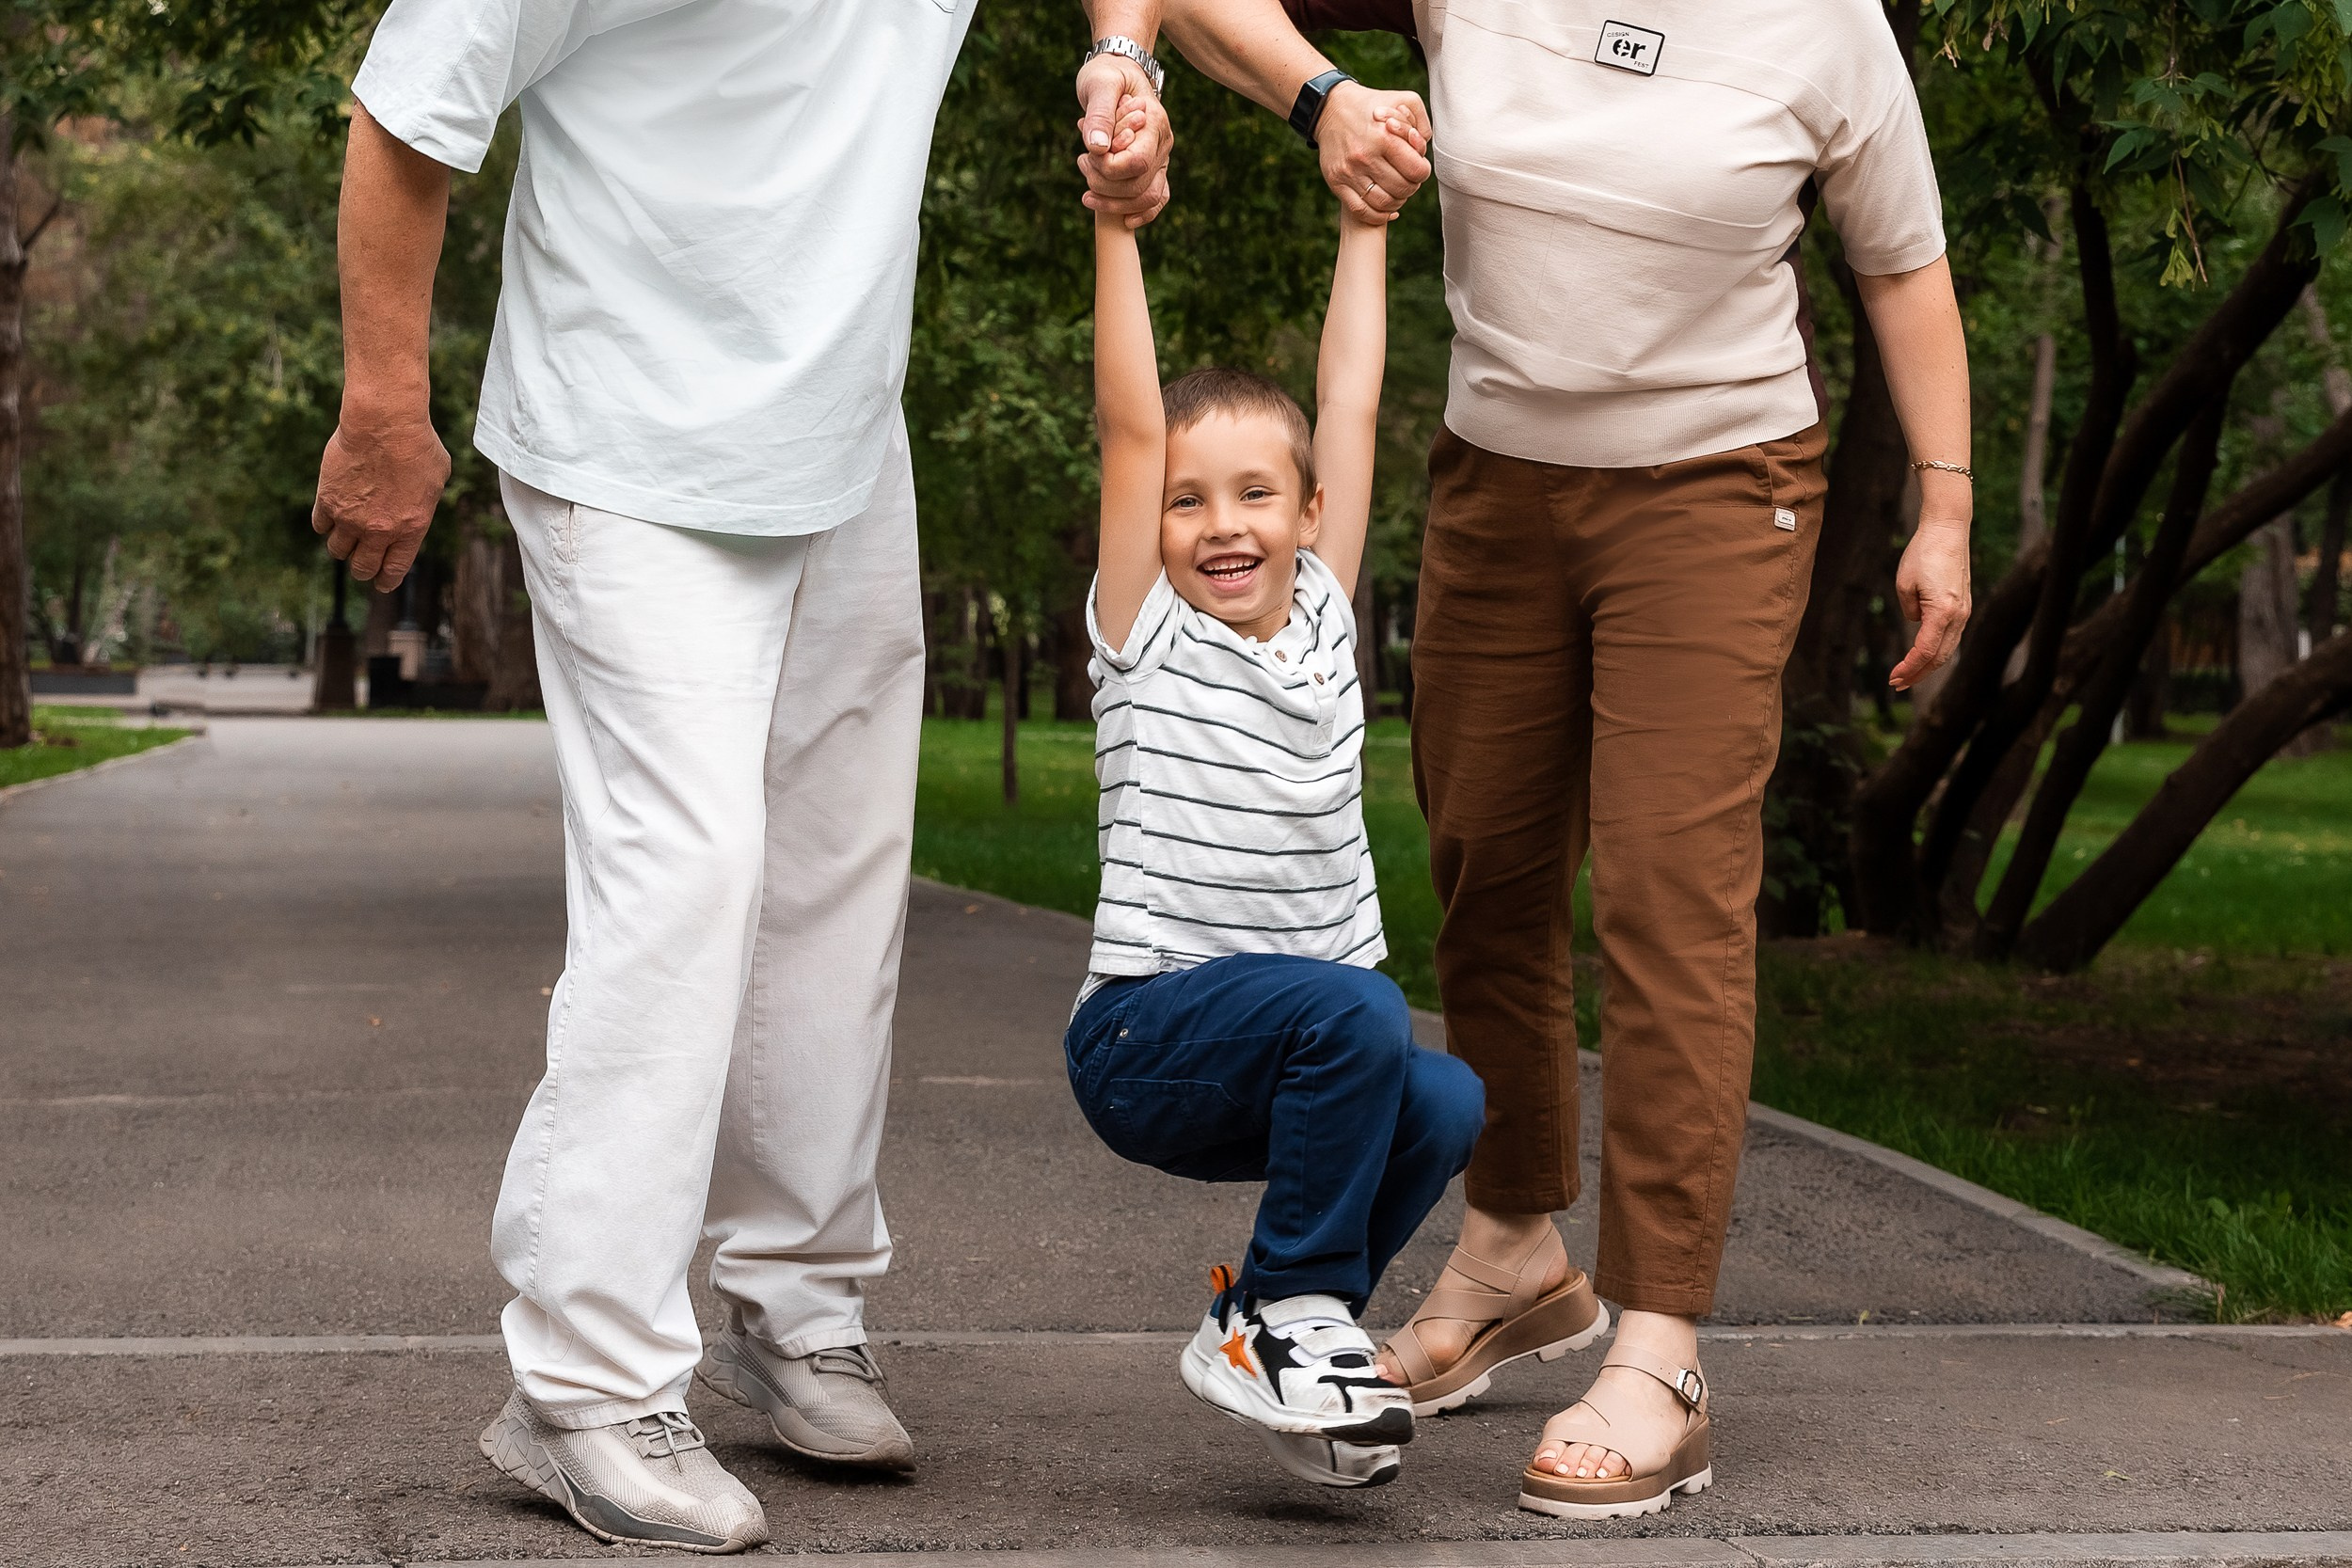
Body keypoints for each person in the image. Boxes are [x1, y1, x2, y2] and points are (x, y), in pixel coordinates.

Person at [1085, 0, 1975, 1520]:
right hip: (1500, 473)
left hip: (1716, 480)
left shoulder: (1823, 25)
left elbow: (1903, 262)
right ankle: (1512, 1250)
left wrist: (1944, 500)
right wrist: (1287, 99)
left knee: (1663, 892)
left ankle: (1660, 1343)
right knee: (1485, 864)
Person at [310, 0, 1160, 1550]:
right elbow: (408, 113)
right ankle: (583, 1382)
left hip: (838, 438)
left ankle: (798, 1299)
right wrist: (384, 406)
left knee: (838, 881)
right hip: (626, 444)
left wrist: (1140, 55)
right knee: (688, 883)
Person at [1067, 109, 1495, 1492]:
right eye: (1190, 503)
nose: (1225, 523)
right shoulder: (1147, 628)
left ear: (1310, 516)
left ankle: (1273, 1334)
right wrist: (1118, 232)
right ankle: (1294, 1314)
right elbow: (1133, 422)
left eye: (1258, 493)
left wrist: (1366, 226)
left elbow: (1354, 401)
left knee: (1443, 1097)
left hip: (1291, 1052)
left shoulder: (1322, 619)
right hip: (1147, 1039)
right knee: (1362, 1004)